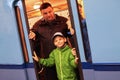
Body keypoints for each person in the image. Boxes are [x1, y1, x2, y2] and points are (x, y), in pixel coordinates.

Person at [29, 2, 75, 80]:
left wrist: (71, 30)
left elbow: (71, 35)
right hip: (48, 61)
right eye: (45, 13)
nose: (48, 15)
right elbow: (33, 34)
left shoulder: (64, 21)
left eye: (50, 12)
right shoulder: (37, 25)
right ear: (42, 14)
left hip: (64, 60)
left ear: (53, 10)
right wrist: (32, 34)